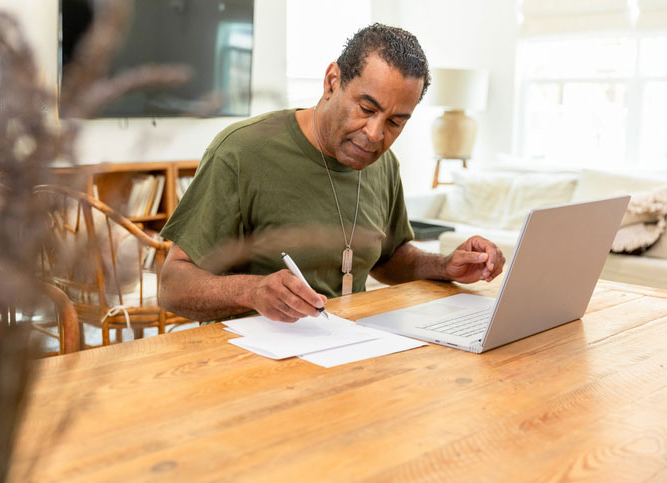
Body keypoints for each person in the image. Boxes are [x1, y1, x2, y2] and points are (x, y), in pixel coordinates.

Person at [159, 23, 505, 323]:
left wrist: (445, 265)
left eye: (396, 122)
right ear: (331, 81)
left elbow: (390, 258)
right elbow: (172, 286)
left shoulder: (383, 164)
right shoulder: (240, 152)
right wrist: (250, 291)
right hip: (251, 364)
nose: (374, 134)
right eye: (366, 108)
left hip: (346, 353)